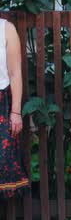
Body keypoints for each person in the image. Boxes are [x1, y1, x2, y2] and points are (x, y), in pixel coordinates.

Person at [0, 18, 26, 199]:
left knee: (2, 162)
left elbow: (15, 71)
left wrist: (15, 112)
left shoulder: (6, 29)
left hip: (1, 101)